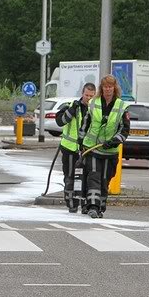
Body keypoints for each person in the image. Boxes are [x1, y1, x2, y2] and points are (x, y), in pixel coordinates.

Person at [78, 74, 130, 218]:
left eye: (110, 87)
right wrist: (80, 142)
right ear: (102, 88)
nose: (108, 89)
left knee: (104, 180)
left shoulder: (121, 106)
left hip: (110, 151)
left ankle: (100, 206)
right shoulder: (93, 103)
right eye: (105, 87)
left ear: (114, 88)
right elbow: (85, 124)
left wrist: (114, 141)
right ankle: (93, 206)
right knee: (93, 177)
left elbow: (125, 130)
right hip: (93, 148)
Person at [55, 83, 96, 213]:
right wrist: (72, 109)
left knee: (87, 178)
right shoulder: (71, 106)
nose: (88, 98)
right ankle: (72, 203)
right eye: (86, 95)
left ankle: (85, 205)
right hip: (70, 149)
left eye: (91, 96)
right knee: (70, 177)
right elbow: (60, 121)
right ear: (82, 94)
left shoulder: (96, 110)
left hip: (88, 149)